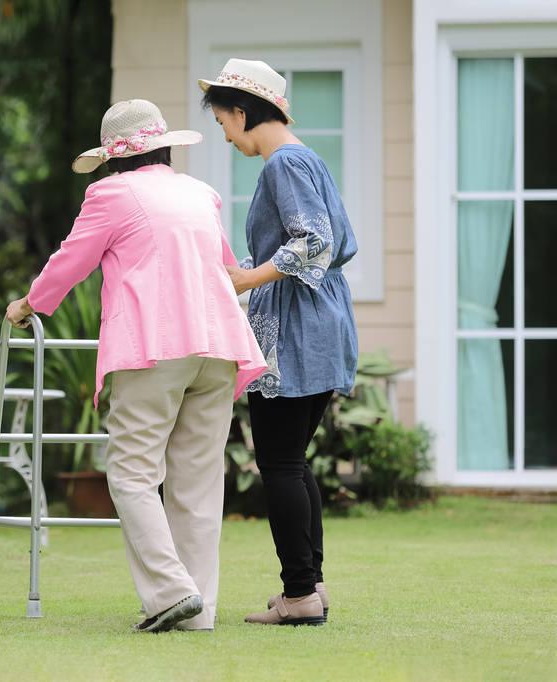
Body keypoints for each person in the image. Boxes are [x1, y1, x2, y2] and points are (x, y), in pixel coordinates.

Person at [5, 99, 266, 632]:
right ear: (164, 146)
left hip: (155, 347)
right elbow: (227, 266)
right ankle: (199, 612)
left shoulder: (110, 193)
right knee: (197, 481)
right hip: (217, 345)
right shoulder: (199, 194)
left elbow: (71, 260)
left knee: (130, 473)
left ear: (111, 158)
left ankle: (171, 593)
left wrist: (28, 303)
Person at [198, 59, 359, 626]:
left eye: (222, 122)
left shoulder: (282, 164)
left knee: (280, 462)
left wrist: (246, 279)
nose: (224, 134)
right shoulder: (306, 157)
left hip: (295, 330)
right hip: (321, 321)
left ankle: (300, 596)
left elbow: (313, 241)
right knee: (293, 460)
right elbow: (323, 243)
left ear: (243, 113)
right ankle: (309, 585)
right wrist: (241, 272)